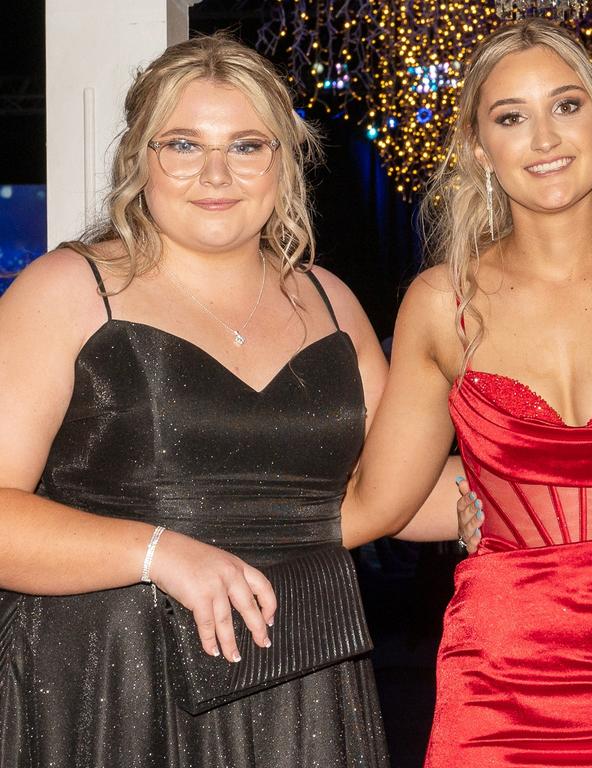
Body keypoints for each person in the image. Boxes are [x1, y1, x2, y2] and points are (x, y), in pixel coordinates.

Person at [0, 34, 461, 767]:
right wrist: (158, 552)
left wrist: (544, 481)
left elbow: (401, 491)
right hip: (113, 681)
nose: (216, 173)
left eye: (247, 146)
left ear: (284, 161)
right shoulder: (67, 290)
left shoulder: (329, 300)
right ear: (140, 159)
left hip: (298, 680)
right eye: (183, 145)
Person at [342, 19, 592, 768]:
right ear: (478, 149)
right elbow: (377, 502)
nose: (545, 138)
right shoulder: (441, 303)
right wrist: (187, 536)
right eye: (510, 117)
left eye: (565, 105)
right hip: (497, 682)